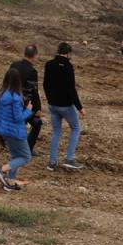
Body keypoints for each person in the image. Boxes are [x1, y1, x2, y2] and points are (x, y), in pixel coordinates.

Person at [42, 42, 84, 171]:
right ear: (68, 53)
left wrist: (50, 99)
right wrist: (80, 107)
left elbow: (45, 84)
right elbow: (71, 89)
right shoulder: (68, 66)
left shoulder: (49, 64)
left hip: (52, 105)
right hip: (66, 105)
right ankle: (69, 159)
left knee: (56, 132)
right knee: (76, 128)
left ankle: (52, 162)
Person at [0, 66, 34, 191]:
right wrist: (28, 110)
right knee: (26, 157)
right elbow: (18, 117)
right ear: (18, 81)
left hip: (4, 131)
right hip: (16, 132)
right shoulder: (15, 97)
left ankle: (10, 182)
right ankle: (2, 170)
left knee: (15, 156)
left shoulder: (0, 94)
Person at [9, 45, 43, 154]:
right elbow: (33, 91)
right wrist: (37, 109)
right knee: (37, 124)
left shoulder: (13, 65)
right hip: (23, 104)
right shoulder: (32, 71)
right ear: (34, 56)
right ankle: (27, 148)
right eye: (37, 55)